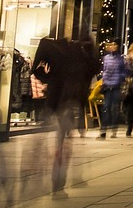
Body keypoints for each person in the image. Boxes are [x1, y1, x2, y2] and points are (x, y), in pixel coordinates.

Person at [31, 36, 99, 193]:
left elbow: (37, 69)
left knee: (59, 138)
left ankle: (56, 179)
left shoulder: (53, 49)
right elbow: (92, 69)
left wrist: (50, 79)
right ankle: (59, 180)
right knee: (64, 138)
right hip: (71, 99)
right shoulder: (82, 53)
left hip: (56, 98)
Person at [98, 41, 125, 139]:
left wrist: (119, 78)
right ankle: (103, 130)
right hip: (107, 86)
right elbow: (103, 70)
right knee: (106, 108)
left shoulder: (120, 59)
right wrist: (104, 78)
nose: (112, 47)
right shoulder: (105, 58)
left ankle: (114, 129)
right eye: (111, 45)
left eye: (115, 45)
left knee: (114, 108)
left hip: (116, 86)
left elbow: (123, 71)